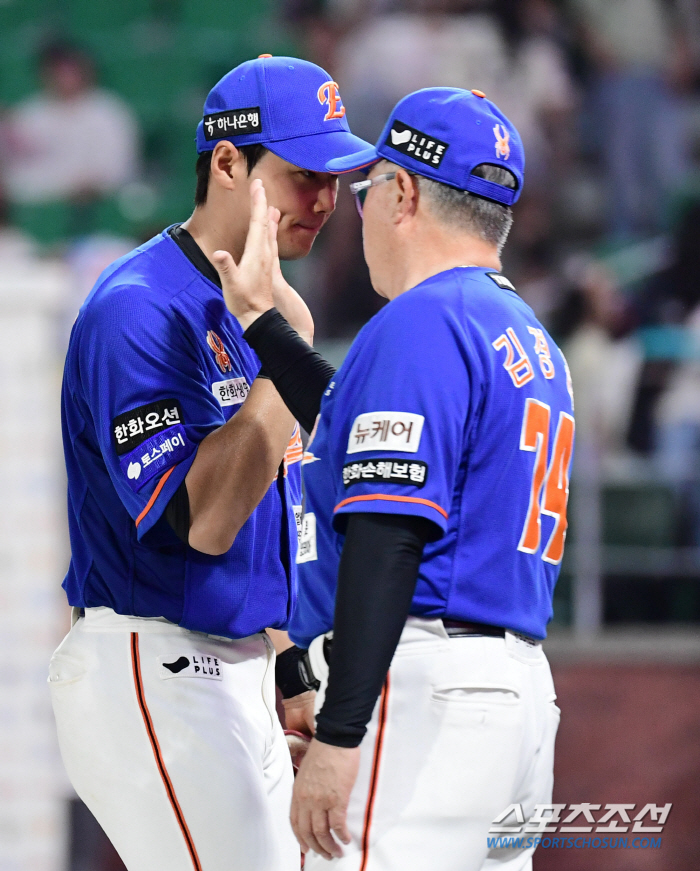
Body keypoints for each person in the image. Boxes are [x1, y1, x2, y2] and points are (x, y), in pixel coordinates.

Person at [220, 87, 575, 870]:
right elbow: (348, 422)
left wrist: (343, 732)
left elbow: (391, 531)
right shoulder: (526, 337)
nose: (357, 208)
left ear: (403, 192)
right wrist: (264, 328)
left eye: (366, 187)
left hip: (423, 694)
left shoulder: (421, 321)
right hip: (513, 696)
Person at [48, 55, 371, 871]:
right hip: (150, 664)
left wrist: (291, 665)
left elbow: (275, 515)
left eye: (337, 177)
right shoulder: (138, 306)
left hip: (239, 669)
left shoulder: (261, 305)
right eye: (303, 174)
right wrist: (274, 342)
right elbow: (207, 523)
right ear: (228, 163)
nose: (326, 200)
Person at [3, 40, 139, 204]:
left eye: (69, 70)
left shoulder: (108, 112)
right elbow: (15, 172)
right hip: (35, 206)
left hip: (94, 205)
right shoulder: (28, 114)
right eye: (57, 70)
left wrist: (89, 186)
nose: (64, 77)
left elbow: (118, 169)